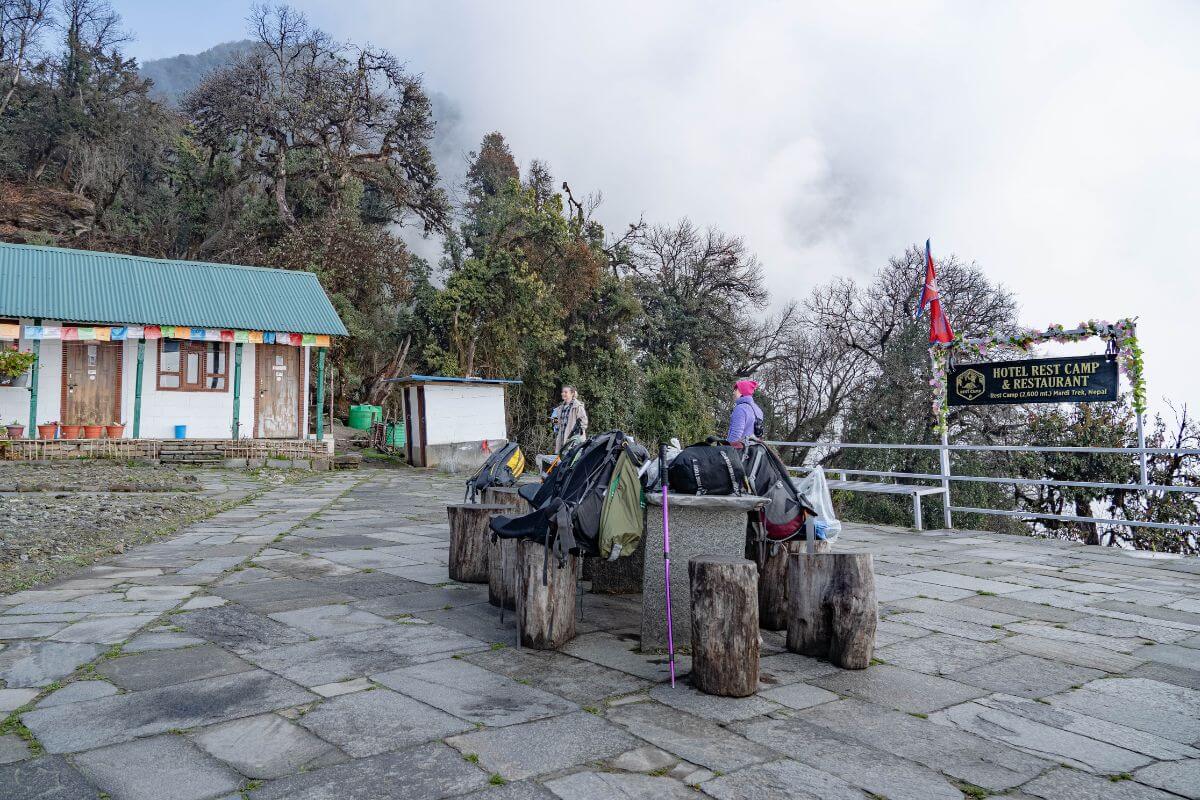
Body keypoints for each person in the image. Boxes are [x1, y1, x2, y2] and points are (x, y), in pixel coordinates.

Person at [726, 379, 763, 447]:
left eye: (735, 390)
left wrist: (726, 450)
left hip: (739, 453)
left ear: (742, 391)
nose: (733, 393)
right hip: (752, 452)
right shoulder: (758, 410)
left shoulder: (741, 408)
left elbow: (735, 435)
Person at [553, 385, 589, 453]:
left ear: (572, 394)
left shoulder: (578, 406)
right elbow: (556, 424)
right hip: (562, 440)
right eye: (562, 392)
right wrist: (554, 419)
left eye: (566, 392)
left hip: (573, 441)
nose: (563, 394)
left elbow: (584, 422)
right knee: (561, 460)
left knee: (571, 460)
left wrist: (576, 435)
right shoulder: (560, 408)